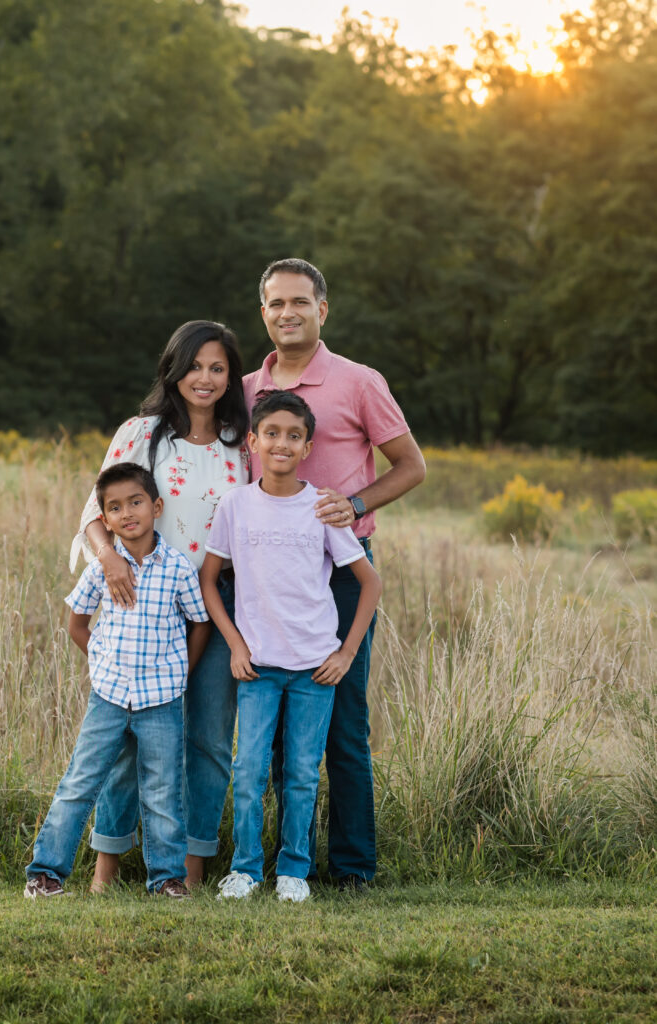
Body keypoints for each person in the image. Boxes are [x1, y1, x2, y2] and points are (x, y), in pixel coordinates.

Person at [242, 258, 426, 889]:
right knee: (269, 731)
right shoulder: (244, 390)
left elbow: (410, 466)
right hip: (266, 577)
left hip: (342, 574)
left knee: (343, 719)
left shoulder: (358, 381)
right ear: (262, 313)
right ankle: (277, 862)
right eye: (274, 304)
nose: (287, 313)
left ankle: (351, 869)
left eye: (299, 301)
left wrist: (355, 504)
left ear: (324, 308)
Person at [70, 320, 250, 889]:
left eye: (217, 368)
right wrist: (110, 559)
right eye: (194, 366)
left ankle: (190, 871)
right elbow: (93, 512)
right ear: (174, 368)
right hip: (144, 600)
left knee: (209, 739)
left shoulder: (241, 444)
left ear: (231, 377)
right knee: (127, 738)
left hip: (217, 604)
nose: (205, 378)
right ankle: (107, 866)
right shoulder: (142, 433)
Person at [200, 392, 382, 902]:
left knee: (302, 773)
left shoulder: (322, 507)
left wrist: (345, 654)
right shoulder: (235, 505)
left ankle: (293, 873)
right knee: (250, 770)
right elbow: (210, 582)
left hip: (313, 669)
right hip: (257, 667)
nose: (282, 443)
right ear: (253, 441)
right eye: (272, 434)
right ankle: (245, 870)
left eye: (294, 436)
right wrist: (235, 645)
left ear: (307, 447)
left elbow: (370, 583)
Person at [25, 462, 209, 898]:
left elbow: (199, 624)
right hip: (108, 697)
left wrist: (182, 672)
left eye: (136, 502)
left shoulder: (178, 569)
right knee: (80, 783)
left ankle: (166, 880)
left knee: (163, 791)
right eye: (114, 507)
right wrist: (104, 661)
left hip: (161, 700)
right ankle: (46, 875)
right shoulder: (101, 571)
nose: (127, 513)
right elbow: (76, 624)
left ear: (156, 506)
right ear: (103, 519)